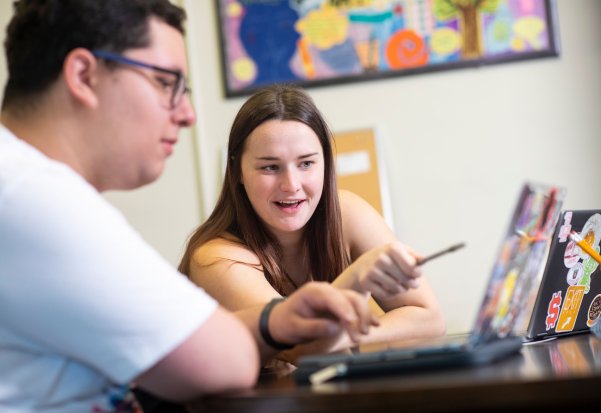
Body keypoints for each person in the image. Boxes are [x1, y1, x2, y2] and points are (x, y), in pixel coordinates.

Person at [0, 1, 379, 412]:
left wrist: (279, 320)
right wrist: (275, 323)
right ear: (83, 75)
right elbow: (222, 363)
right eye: (166, 83)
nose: (188, 114)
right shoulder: (37, 201)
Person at [179, 85, 446, 362]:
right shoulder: (215, 258)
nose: (291, 185)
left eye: (306, 164)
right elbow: (302, 347)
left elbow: (431, 320)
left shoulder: (347, 212)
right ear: (237, 171)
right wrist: (357, 277)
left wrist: (343, 337)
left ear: (326, 163)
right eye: (270, 167)